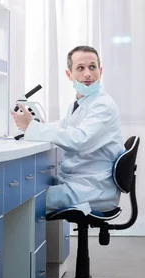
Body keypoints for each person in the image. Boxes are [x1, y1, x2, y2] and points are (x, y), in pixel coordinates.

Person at [11, 46, 125, 213]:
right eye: (80, 68)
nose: (87, 73)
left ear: (100, 71)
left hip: (93, 188)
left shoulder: (103, 105)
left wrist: (33, 128)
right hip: (80, 182)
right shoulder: (80, 103)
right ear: (69, 74)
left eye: (92, 67)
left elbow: (79, 139)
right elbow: (63, 126)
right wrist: (36, 126)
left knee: (23, 197)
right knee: (26, 189)